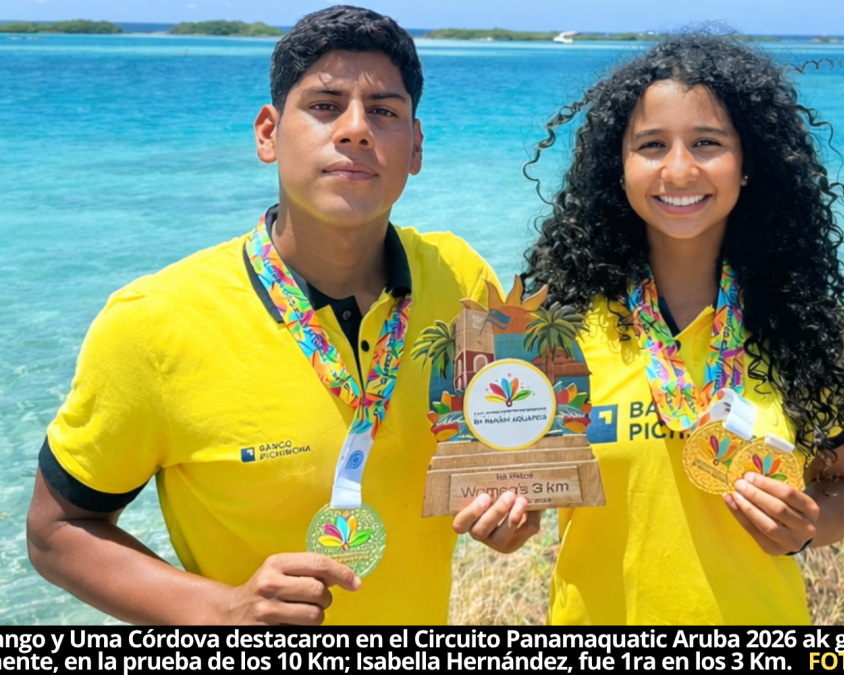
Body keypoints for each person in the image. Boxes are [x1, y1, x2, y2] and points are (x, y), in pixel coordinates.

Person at [25, 5, 519, 625]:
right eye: (323, 105)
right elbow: (57, 530)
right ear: (267, 133)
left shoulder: (461, 279)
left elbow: (497, 448)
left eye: (385, 112)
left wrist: (508, 509)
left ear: (415, 147)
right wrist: (222, 609)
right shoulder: (154, 322)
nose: (355, 130)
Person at [518, 33, 844, 624]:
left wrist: (805, 525)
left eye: (707, 143)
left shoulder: (809, 328)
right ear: (619, 166)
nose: (679, 169)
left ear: (748, 162)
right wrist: (505, 518)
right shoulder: (561, 325)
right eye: (651, 145)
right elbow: (521, 480)